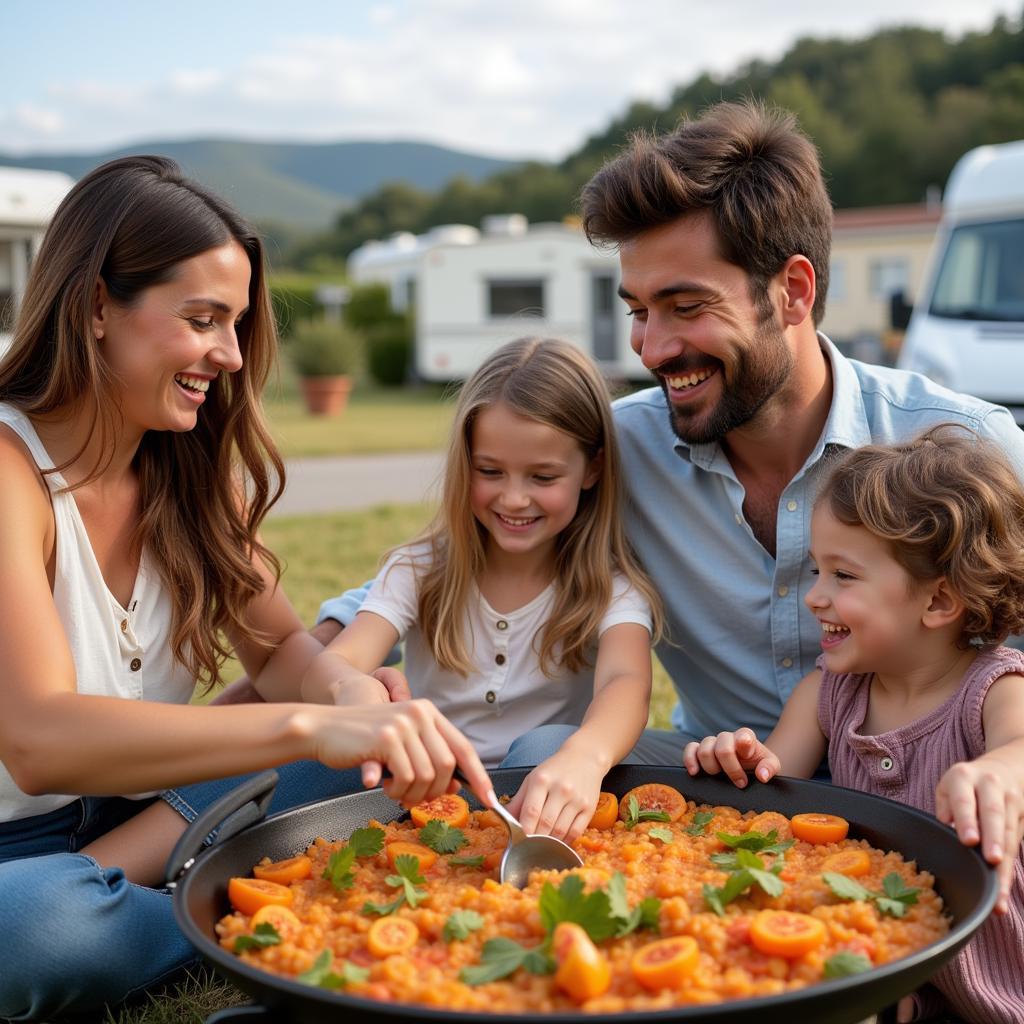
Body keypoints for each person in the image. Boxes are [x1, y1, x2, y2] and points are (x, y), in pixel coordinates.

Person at [314, 100, 1024, 827]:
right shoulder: (612, 454)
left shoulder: (962, 448)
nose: (651, 350)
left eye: (685, 307)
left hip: (926, 794)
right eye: (639, 312)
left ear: (794, 292)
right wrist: (292, 700)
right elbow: (430, 571)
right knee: (551, 748)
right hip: (713, 772)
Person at [0, 155, 491, 1022]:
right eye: (203, 320)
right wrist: (315, 721)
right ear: (95, 309)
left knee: (348, 754)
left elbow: (286, 651)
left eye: (235, 323)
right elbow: (39, 740)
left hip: (156, 811)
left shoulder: (190, 474)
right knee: (32, 929)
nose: (228, 355)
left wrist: (344, 688)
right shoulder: (9, 472)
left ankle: (175, 886)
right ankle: (242, 906)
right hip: (19, 854)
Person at [683, 426, 1024, 1024]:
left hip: (1001, 979)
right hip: (891, 972)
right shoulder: (830, 692)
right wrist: (735, 756)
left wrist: (996, 771)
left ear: (939, 602)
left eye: (843, 576)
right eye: (817, 570)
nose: (814, 597)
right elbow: (770, 792)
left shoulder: (993, 689)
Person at [303, 337, 661, 842]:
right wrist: (351, 689)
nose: (514, 498)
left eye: (543, 476)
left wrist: (586, 755)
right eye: (489, 471)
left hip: (541, 797)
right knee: (318, 752)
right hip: (421, 791)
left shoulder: (611, 587)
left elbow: (626, 683)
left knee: (551, 743)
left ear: (593, 468)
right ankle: (181, 857)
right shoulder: (420, 568)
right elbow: (330, 665)